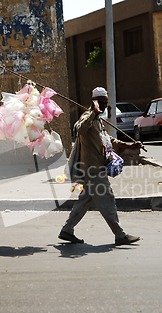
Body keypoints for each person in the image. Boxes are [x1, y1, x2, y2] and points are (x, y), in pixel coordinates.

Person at [58, 87, 143, 245]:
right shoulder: (88, 117)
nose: (104, 106)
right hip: (93, 170)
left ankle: (67, 230)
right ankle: (120, 235)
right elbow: (79, 129)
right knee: (107, 200)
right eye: (101, 102)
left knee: (85, 201)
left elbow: (107, 140)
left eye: (105, 103)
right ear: (94, 102)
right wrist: (94, 112)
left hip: (95, 169)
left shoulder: (98, 120)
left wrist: (128, 145)